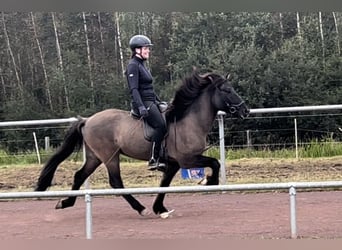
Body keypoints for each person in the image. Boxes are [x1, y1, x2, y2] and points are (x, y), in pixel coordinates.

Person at [125, 34, 167, 171]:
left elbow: (148, 88)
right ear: (137, 50)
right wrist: (141, 106)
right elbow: (134, 89)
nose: (148, 51)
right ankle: (154, 159)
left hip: (151, 101)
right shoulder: (133, 66)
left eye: (148, 48)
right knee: (161, 125)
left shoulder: (141, 65)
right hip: (143, 103)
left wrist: (160, 101)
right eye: (146, 48)